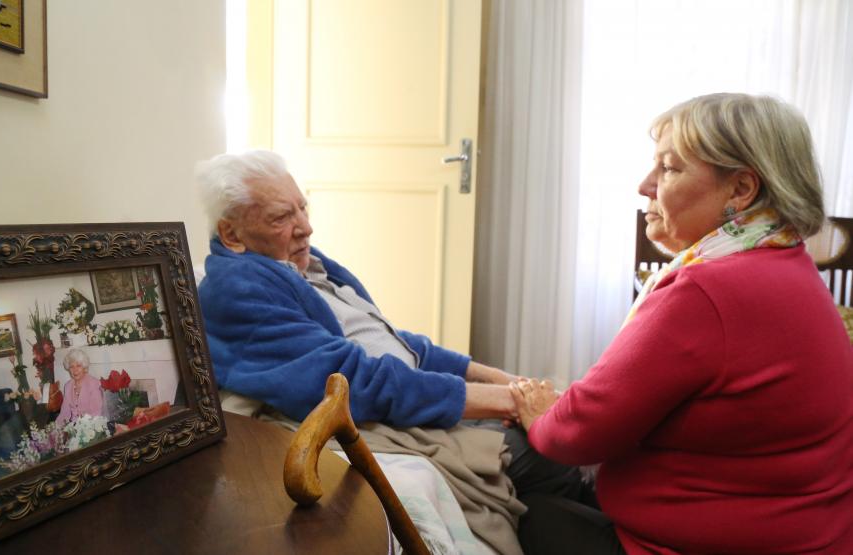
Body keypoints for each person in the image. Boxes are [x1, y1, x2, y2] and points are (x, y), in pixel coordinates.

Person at [195, 150, 590, 554]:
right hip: (379, 413)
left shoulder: (304, 263)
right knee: (543, 455)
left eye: (303, 209)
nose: (306, 228)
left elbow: (391, 339)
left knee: (551, 459)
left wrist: (504, 381)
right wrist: (510, 401)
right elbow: (359, 383)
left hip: (403, 396)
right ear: (232, 235)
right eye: (282, 218)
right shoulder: (238, 290)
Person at [510, 93, 853, 554]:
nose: (645, 184)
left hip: (690, 545)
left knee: (517, 504)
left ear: (740, 190)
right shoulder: (787, 260)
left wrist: (539, 415)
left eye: (669, 168)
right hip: (803, 535)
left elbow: (577, 435)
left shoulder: (707, 291)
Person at [55, 348, 104, 425]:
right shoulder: (68, 386)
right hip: (73, 427)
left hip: (92, 427)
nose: (75, 370)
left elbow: (96, 413)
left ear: (84, 368)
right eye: (71, 367)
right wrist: (56, 428)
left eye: (78, 366)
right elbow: (64, 413)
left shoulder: (93, 384)